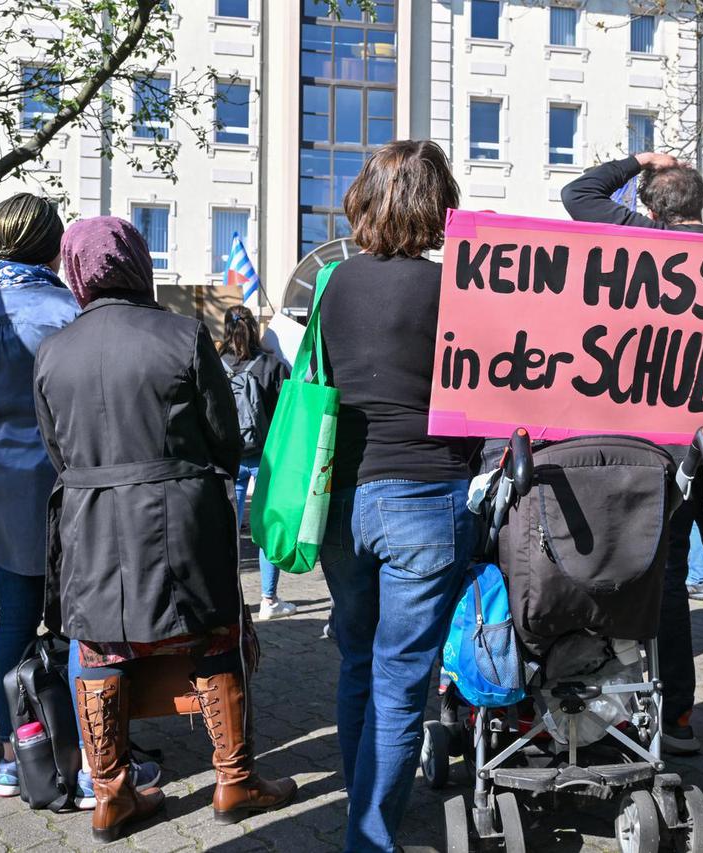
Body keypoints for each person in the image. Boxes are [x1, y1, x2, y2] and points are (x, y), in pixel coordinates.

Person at [33, 216, 296, 842]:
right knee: (212, 636)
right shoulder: (182, 334)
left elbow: (57, 451)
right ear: (137, 263)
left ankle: (110, 795)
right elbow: (224, 436)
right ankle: (234, 780)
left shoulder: (52, 350)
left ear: (76, 270)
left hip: (89, 519)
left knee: (97, 647)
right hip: (179, 515)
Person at [562, 152, 703, 751]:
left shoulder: (649, 248)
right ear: (701, 201)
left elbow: (578, 196)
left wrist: (640, 159)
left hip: (660, 443)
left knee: (664, 574)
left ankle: (677, 715)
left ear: (652, 209)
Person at [318, 140, 481, 852]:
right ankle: (370, 835)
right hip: (423, 493)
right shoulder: (454, 290)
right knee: (401, 678)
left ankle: (363, 805)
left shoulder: (332, 284)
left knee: (359, 659)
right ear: (437, 205)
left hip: (341, 497)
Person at [0, 194, 86, 795]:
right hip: (65, 484)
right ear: (53, 245)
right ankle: (87, 754)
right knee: (77, 625)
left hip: (3, 484)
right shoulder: (69, 310)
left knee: (12, 620)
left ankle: (15, 754)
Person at [219, 305, 294, 620]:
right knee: (267, 529)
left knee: (227, 532)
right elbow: (287, 414)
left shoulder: (214, 364)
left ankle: (228, 600)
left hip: (229, 458)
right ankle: (269, 600)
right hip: (266, 458)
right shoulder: (273, 365)